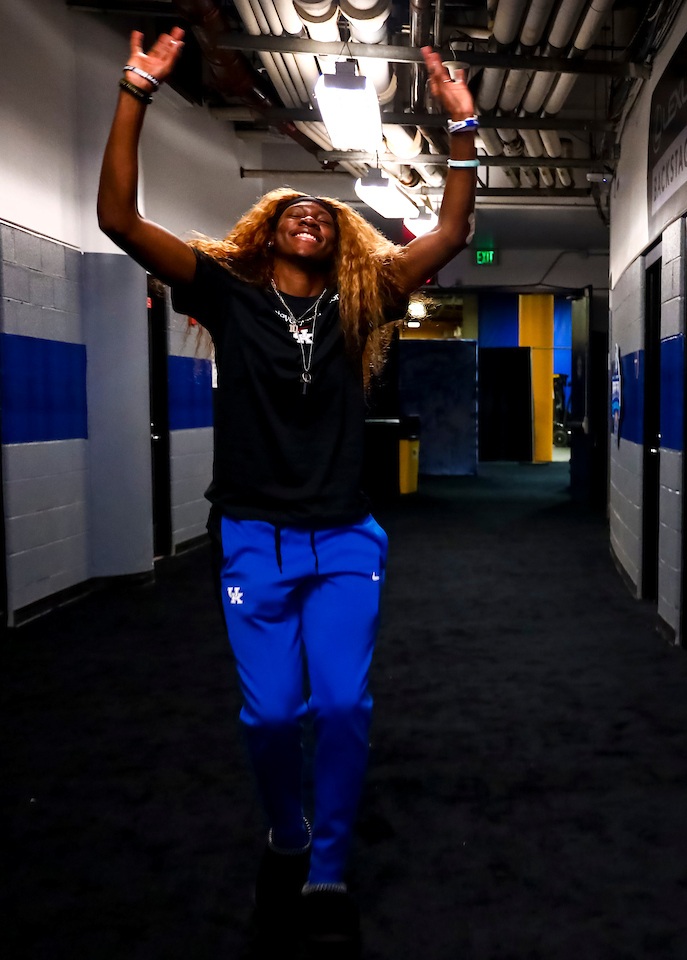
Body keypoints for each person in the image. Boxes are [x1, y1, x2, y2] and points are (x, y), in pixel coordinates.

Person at [97, 27, 477, 958]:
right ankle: (287, 832)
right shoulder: (225, 292)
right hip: (255, 540)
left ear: (337, 234)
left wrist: (464, 129)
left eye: (322, 208)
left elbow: (454, 231)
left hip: (345, 538)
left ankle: (329, 868)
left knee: (342, 708)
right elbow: (117, 220)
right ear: (266, 231)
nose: (309, 210)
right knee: (272, 715)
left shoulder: (363, 295)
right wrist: (135, 89)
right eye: (291, 208)